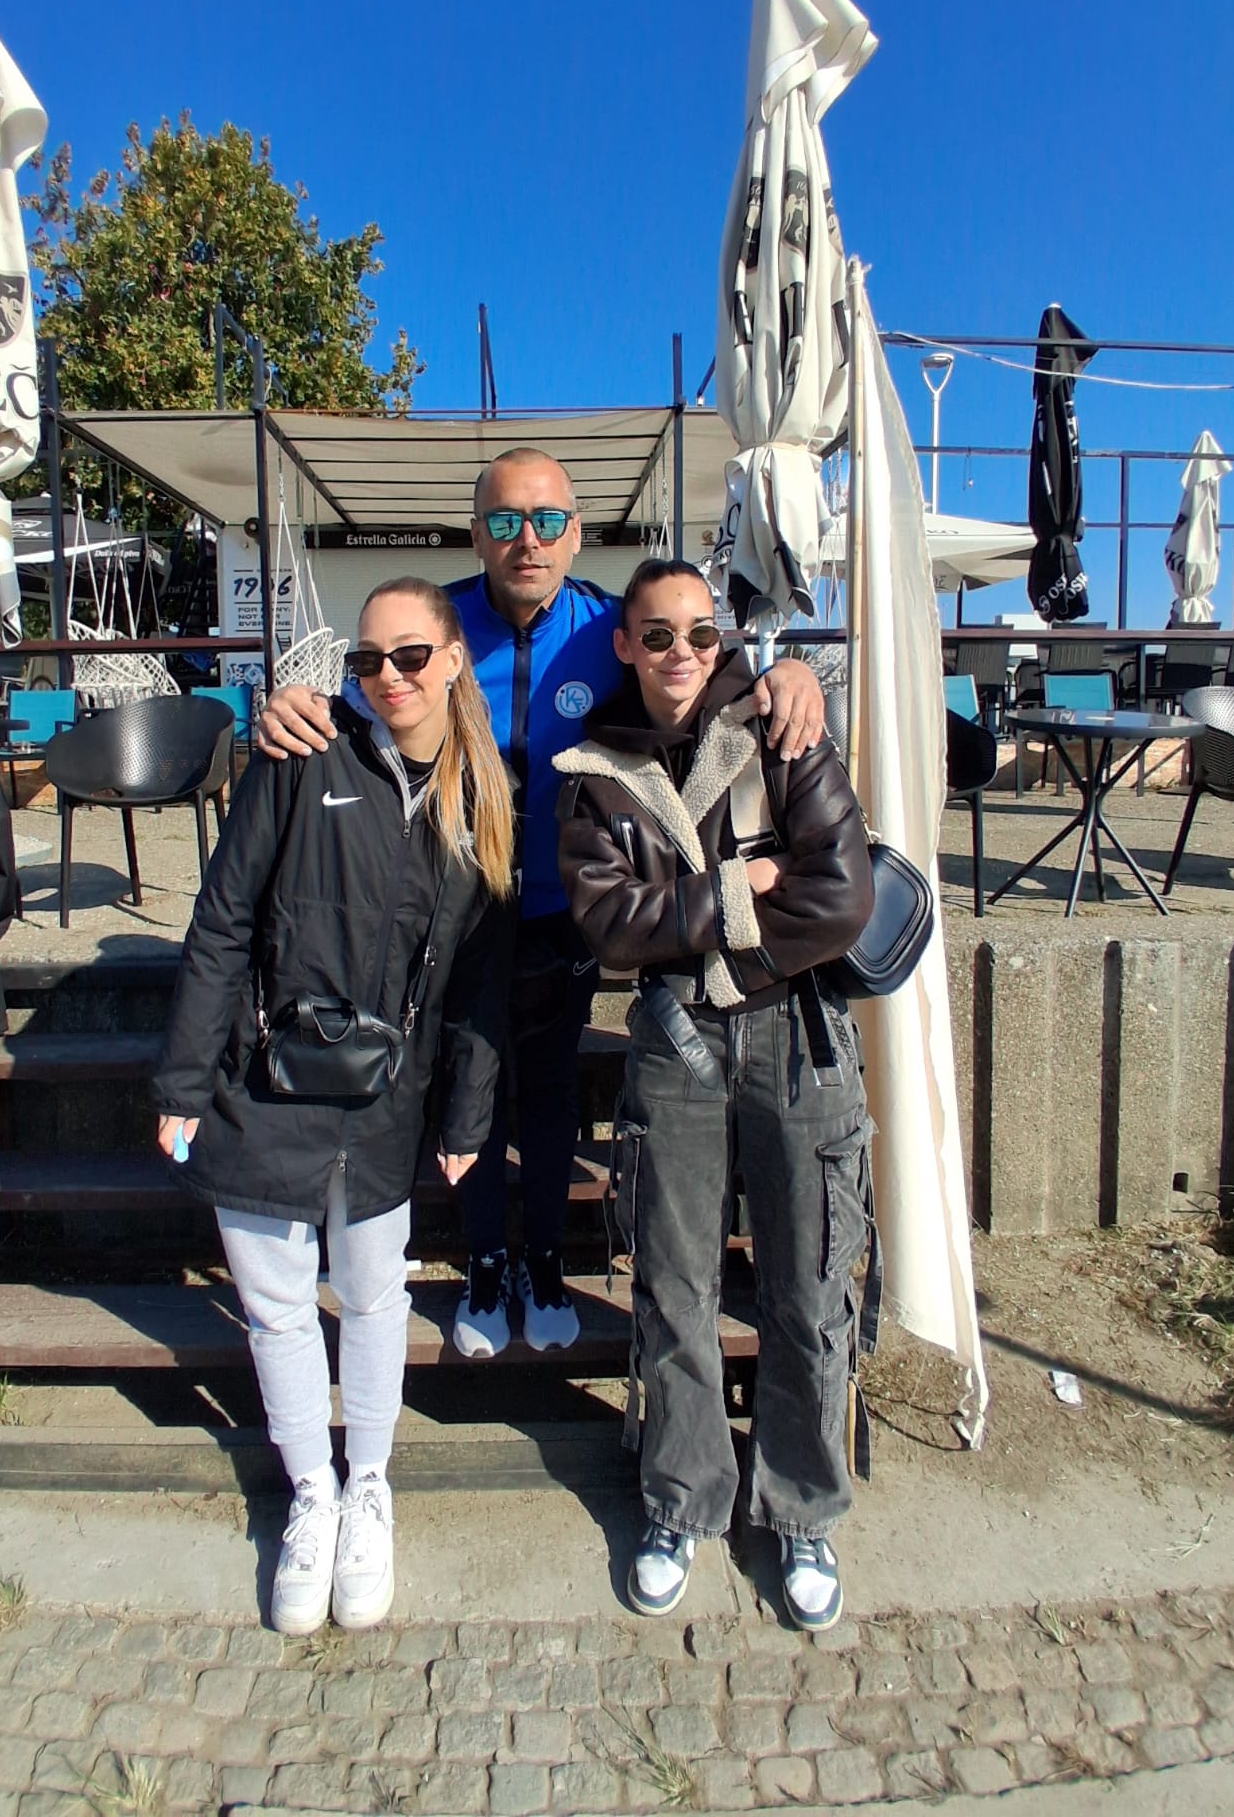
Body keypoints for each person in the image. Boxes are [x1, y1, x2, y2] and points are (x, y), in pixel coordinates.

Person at [256, 448, 825, 1362]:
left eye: (549, 520)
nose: (529, 539)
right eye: (507, 521)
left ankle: (546, 1263)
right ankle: (487, 1260)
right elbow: (369, 690)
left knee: (552, 1087)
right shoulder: (440, 626)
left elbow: (700, 679)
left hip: (572, 905)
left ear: (577, 533)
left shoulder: (610, 626)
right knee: (467, 1083)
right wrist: (291, 703)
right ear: (477, 533)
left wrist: (788, 673)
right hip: (457, 901)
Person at [152, 578, 513, 1634]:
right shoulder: (303, 752)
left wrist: (468, 1114)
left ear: (453, 659)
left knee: (373, 1293)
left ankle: (370, 1485)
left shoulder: (483, 799)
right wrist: (181, 1079)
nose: (387, 677)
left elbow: (481, 978)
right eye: (367, 659)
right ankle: (313, 1489)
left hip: (386, 1091)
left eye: (410, 655)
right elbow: (223, 918)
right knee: (274, 1303)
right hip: (268, 1080)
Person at [554, 558, 875, 1629]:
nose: (682, 652)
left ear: (722, 638)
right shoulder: (592, 769)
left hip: (797, 1035)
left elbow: (840, 895)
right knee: (674, 1284)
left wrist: (703, 935)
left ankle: (802, 1509)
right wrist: (740, 889)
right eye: (658, 634)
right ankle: (682, 1500)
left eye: (701, 633)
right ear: (626, 645)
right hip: (673, 1044)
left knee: (808, 1285)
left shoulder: (781, 724)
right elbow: (609, 925)